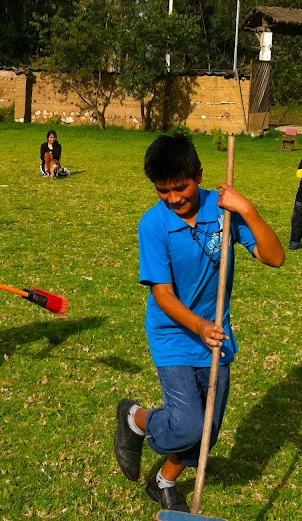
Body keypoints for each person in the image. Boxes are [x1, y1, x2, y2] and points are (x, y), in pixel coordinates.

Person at [114, 132, 284, 512]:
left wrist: (248, 209)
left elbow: (275, 258)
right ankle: (136, 418)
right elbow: (163, 295)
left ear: (200, 175)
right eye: (163, 190)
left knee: (208, 431)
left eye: (181, 187)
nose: (174, 198)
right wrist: (199, 327)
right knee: (189, 425)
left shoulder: (223, 211)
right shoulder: (153, 224)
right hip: (174, 333)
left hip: (216, 335)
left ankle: (163, 481)